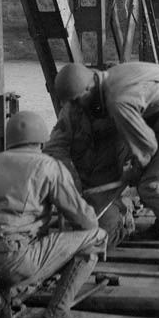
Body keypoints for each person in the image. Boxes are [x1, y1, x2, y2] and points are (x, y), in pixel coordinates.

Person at [53, 62, 159, 271]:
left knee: (153, 185)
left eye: (76, 100)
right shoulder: (106, 82)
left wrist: (135, 171)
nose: (75, 106)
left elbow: (147, 146)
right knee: (152, 177)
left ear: (89, 89)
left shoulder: (117, 101)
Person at [0, 111, 106, 318]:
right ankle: (55, 316)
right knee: (96, 237)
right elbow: (87, 221)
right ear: (41, 141)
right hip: (15, 258)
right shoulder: (48, 165)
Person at [43, 101, 137, 251]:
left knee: (102, 237)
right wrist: (73, 186)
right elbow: (54, 148)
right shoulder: (71, 111)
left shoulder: (125, 106)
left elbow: (145, 152)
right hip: (81, 189)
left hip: (113, 194)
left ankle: (124, 222)